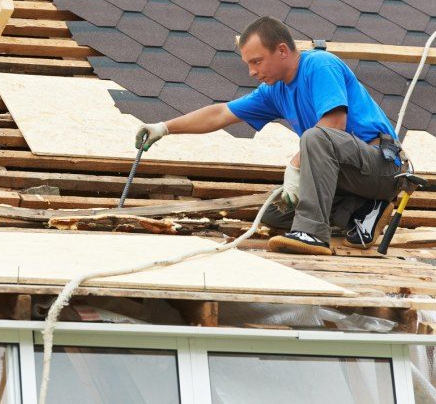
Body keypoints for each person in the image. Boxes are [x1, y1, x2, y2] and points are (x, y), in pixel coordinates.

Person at [135, 16, 407, 256]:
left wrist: (295, 167)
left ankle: (313, 234)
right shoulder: (274, 91)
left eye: (256, 61)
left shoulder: (320, 65)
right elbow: (220, 114)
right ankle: (363, 211)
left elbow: (334, 124)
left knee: (315, 138)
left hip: (382, 166)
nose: (252, 72)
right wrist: (164, 127)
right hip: (350, 176)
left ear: (282, 51)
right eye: (248, 64)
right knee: (275, 212)